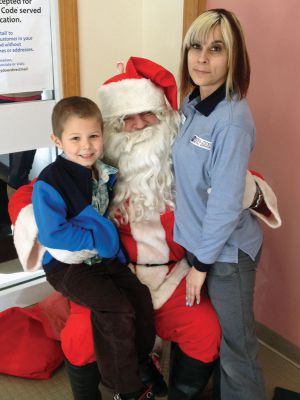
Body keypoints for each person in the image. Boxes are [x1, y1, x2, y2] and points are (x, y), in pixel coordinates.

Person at [8, 58, 281, 400]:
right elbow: (28, 195)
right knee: (80, 337)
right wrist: (39, 221)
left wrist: (248, 189)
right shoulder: (97, 164)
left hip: (173, 276)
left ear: (164, 117)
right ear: (110, 127)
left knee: (207, 331)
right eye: (125, 118)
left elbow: (233, 176)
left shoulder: (183, 159)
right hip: (114, 274)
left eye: (147, 114)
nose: (138, 125)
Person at [172, 9, 274, 400]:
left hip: (226, 255)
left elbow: (225, 205)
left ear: (233, 58)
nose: (201, 58)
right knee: (219, 339)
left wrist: (200, 266)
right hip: (203, 247)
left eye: (216, 49)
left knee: (237, 350)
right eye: (195, 47)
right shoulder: (194, 104)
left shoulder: (231, 121)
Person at [31, 95, 157, 400]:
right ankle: (125, 388)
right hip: (67, 266)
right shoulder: (51, 181)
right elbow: (53, 234)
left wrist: (107, 246)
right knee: (116, 308)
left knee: (139, 296)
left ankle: (141, 363)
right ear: (57, 141)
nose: (86, 146)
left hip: (103, 258)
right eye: (75, 138)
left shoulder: (101, 171)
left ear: (102, 134)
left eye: (93, 136)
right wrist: (98, 239)